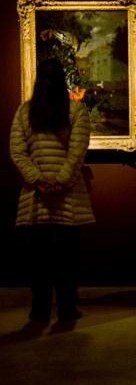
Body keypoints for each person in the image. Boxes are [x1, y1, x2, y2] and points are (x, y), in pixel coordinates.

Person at [9, 58, 95, 322]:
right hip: (68, 197)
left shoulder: (25, 112)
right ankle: (67, 309)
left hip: (35, 196)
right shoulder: (76, 111)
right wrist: (61, 180)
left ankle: (39, 310)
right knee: (68, 258)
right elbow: (77, 152)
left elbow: (17, 151)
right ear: (62, 80)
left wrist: (38, 180)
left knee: (39, 259)